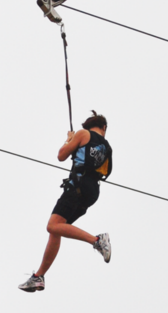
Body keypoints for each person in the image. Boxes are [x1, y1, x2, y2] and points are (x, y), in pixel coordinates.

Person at [19, 111, 113, 293]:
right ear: (104, 127)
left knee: (52, 226)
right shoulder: (107, 147)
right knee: (58, 229)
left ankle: (97, 240)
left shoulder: (83, 134)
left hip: (76, 187)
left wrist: (69, 140)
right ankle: (39, 276)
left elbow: (61, 155)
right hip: (92, 191)